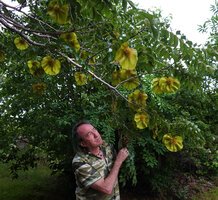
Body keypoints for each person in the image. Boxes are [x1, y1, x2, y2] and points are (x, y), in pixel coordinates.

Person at [72, 121, 129, 200]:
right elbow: (106, 189)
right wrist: (119, 161)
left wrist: (124, 146)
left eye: (94, 129)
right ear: (83, 144)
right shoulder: (80, 162)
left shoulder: (106, 146)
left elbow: (116, 167)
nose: (96, 135)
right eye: (89, 134)